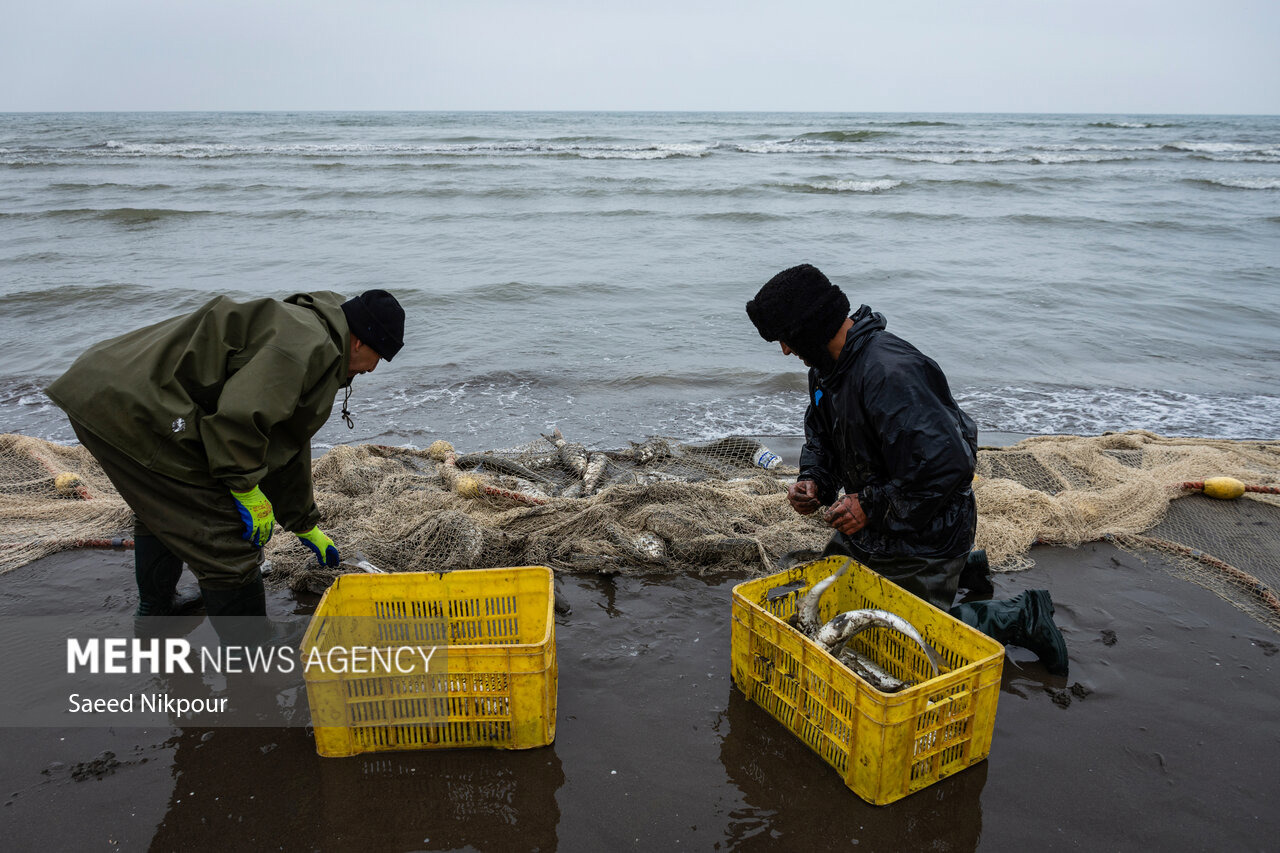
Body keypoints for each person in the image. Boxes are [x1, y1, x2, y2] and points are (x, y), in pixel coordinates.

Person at [746, 264, 1068, 676]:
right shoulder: (827, 370)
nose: (786, 351)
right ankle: (966, 569)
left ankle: (1021, 615)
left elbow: (950, 467)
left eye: (787, 339)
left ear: (810, 326)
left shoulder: (890, 372)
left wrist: (870, 505)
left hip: (926, 529)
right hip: (879, 527)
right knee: (826, 613)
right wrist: (814, 480)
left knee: (891, 640)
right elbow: (822, 437)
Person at [46, 289, 405, 642]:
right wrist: (246, 490)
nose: (374, 369)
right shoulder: (303, 349)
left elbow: (285, 437)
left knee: (165, 506)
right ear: (360, 342)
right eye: (379, 356)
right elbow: (236, 422)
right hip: (133, 407)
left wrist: (302, 522)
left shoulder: (322, 332)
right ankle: (252, 647)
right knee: (226, 538)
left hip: (116, 385)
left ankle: (159, 612)